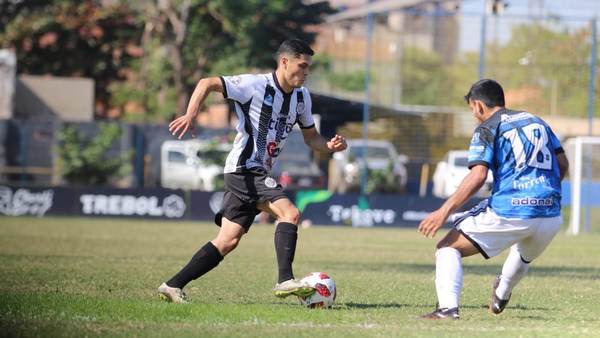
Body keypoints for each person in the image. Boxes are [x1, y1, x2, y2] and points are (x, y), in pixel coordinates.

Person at [158, 38, 347, 303]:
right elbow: (207, 83)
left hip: (252, 173)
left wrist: (329, 146)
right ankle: (284, 280)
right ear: (284, 62)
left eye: (309, 68)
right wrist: (191, 114)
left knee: (228, 240)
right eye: (302, 66)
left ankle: (172, 285)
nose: (306, 73)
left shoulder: (301, 98)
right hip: (243, 169)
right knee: (290, 213)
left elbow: (311, 138)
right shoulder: (255, 85)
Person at [418, 79, 569, 319]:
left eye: (471, 110)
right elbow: (562, 164)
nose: (474, 116)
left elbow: (478, 176)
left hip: (510, 212)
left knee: (447, 248)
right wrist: (542, 193)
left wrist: (442, 211)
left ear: (478, 105)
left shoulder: (488, 127)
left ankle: (447, 309)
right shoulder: (537, 121)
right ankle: (502, 291)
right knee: (523, 254)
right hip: (551, 216)